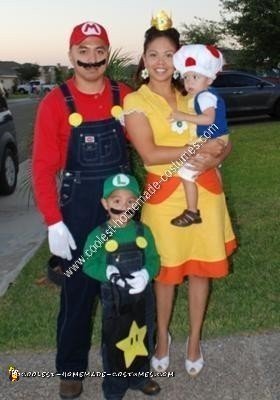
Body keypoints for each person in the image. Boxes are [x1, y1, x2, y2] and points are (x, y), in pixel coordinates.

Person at [32, 21, 159, 399]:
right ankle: (70, 371)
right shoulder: (55, 102)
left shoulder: (127, 95)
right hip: (78, 211)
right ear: (71, 55)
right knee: (78, 295)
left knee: (130, 296)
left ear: (107, 52)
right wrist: (54, 221)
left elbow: (154, 140)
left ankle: (131, 370)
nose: (92, 58)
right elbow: (42, 168)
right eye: (83, 51)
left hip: (123, 210)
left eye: (98, 50)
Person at [124, 11, 237, 378]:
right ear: (143, 59)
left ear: (181, 57)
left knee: (201, 270)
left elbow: (224, 141)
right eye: (153, 54)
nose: (161, 62)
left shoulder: (194, 91)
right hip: (162, 196)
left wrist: (218, 152)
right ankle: (162, 340)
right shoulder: (135, 101)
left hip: (204, 191)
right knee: (166, 274)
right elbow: (150, 154)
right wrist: (198, 153)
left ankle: (193, 341)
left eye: (169, 54)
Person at [83, 173, 160, 399]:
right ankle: (114, 385)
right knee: (115, 339)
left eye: (130, 202)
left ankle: (140, 376)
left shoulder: (143, 232)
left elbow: (154, 259)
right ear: (105, 204)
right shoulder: (98, 236)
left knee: (144, 334)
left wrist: (146, 274)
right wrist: (106, 272)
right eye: (116, 201)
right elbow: (89, 264)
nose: (123, 207)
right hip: (114, 301)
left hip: (142, 298)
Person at [169, 44, 229, 227]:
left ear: (209, 79)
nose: (189, 82)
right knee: (214, 167)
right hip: (218, 137)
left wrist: (181, 116)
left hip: (212, 137)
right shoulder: (207, 94)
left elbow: (208, 119)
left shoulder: (204, 97)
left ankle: (192, 212)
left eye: (195, 77)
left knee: (185, 173)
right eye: (186, 77)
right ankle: (220, 194)